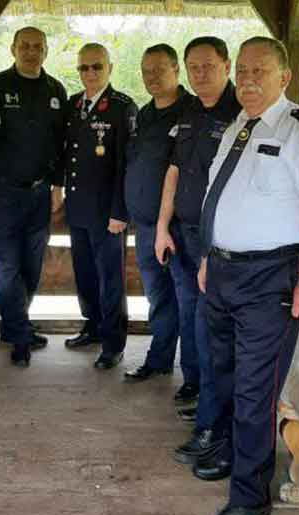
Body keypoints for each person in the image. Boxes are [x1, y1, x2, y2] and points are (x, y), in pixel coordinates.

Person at [195, 36, 299, 515]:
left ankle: (249, 496)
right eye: (241, 71)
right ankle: (232, 456)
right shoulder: (238, 126)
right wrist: (208, 257)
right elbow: (223, 198)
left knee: (255, 389)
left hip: (270, 279)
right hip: (222, 271)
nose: (248, 80)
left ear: (285, 77)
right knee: (223, 373)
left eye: (259, 71)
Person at [155, 37, 240, 424]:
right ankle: (195, 386)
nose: (200, 74)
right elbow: (174, 171)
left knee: (213, 324)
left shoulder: (242, 113)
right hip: (181, 233)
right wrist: (162, 226)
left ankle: (216, 403)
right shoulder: (188, 110)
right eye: (194, 67)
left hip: (217, 241)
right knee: (189, 313)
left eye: (208, 66)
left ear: (226, 66)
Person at [0, 26, 67, 367]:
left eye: (37, 46)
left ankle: (13, 327)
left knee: (31, 267)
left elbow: (62, 144)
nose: (31, 52)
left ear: (46, 51)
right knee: (5, 266)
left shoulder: (56, 90)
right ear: (13, 49)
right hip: (2, 193)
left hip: (40, 193)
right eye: (25, 46)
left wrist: (57, 186)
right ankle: (19, 336)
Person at [64, 43, 138, 369]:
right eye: (84, 67)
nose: (90, 73)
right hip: (79, 207)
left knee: (110, 280)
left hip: (108, 213)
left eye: (97, 66)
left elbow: (126, 164)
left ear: (110, 68)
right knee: (85, 274)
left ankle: (112, 343)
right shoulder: (74, 104)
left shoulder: (122, 107)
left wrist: (120, 212)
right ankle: (93, 327)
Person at [123, 44, 190, 383]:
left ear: (176, 69)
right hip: (145, 226)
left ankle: (193, 378)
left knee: (189, 302)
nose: (151, 77)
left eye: (159, 69)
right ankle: (160, 359)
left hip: (180, 228)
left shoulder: (192, 111)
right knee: (158, 297)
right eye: (146, 70)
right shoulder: (145, 114)